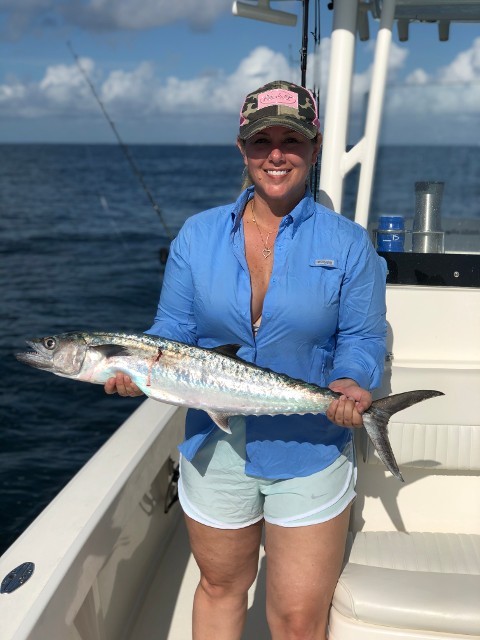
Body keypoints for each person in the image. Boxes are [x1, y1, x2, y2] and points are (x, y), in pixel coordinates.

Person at [105, 80, 387, 640]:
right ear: (242, 148)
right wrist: (136, 369)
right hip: (215, 448)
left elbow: (361, 336)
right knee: (219, 588)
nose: (276, 154)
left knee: (298, 619)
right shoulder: (198, 235)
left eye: (292, 140)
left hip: (308, 449)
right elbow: (172, 330)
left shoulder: (351, 244)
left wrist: (353, 380)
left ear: (315, 147)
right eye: (262, 141)